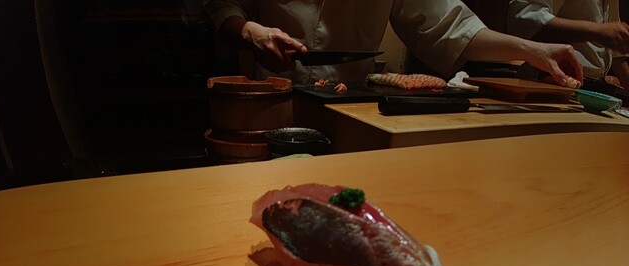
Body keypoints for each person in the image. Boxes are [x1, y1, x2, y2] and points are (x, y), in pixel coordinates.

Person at [203, 0, 582, 87]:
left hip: (348, 110)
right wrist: (249, 31)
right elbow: (221, 7)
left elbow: (450, 26)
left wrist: (532, 50)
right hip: (266, 100)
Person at [508, 0, 629, 89]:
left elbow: (616, 52)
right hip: (546, 81)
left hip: (590, 88)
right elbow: (525, 21)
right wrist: (598, 32)